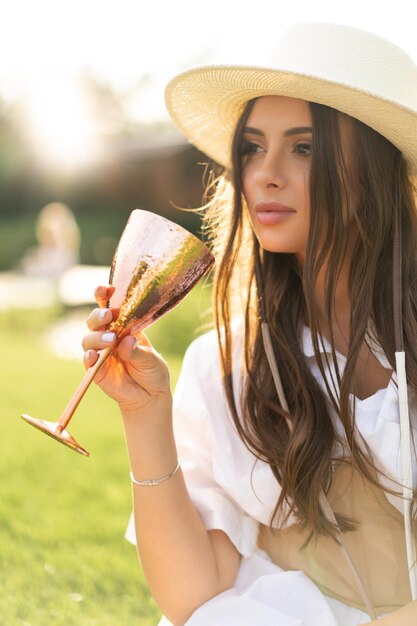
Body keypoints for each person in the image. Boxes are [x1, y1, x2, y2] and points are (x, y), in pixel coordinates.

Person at [81, 22, 417, 626]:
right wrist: (144, 414)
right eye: (253, 147)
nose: (265, 172)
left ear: (371, 169)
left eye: (305, 147)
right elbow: (193, 594)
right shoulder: (230, 364)